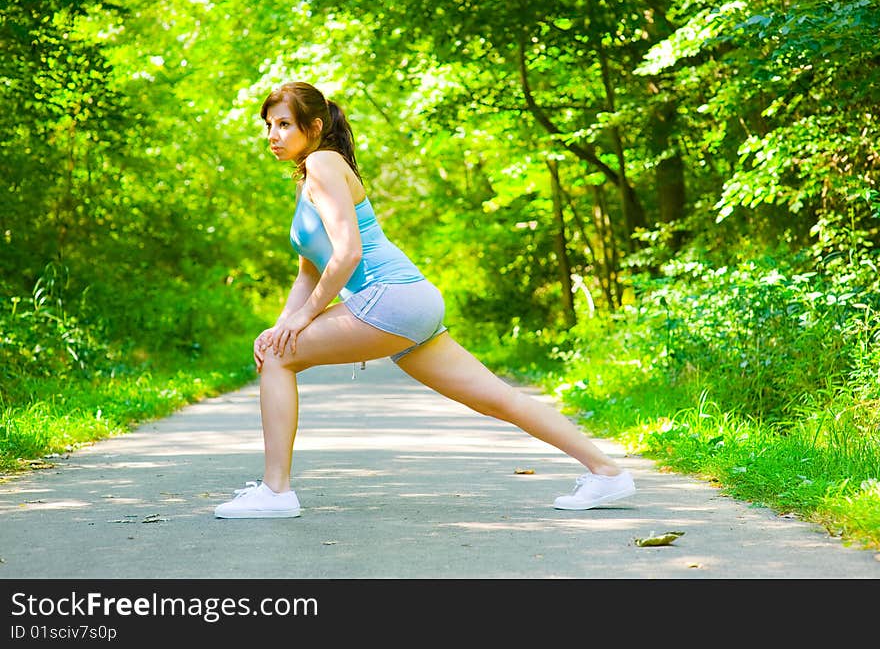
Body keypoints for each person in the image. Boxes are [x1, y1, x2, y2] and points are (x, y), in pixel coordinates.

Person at [214, 81, 636, 518]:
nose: (273, 135)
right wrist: (283, 324)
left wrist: (300, 321)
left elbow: (349, 253)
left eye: (284, 124)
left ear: (314, 126)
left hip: (389, 297)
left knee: (280, 360)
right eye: (269, 125)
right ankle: (607, 474)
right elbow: (311, 269)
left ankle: (276, 492)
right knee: (497, 398)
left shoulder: (322, 163)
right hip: (411, 300)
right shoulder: (313, 177)